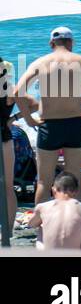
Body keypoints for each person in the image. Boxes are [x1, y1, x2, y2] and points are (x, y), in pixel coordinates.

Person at [13, 26, 81, 204]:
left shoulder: (40, 62)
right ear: (71, 43)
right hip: (75, 124)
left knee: (44, 182)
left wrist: (28, 119)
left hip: (49, 126)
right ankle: (77, 223)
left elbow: (18, 91)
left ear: (51, 43)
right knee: (75, 180)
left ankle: (43, 226)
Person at [28, 172, 81, 250]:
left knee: (41, 228)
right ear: (75, 192)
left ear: (53, 190)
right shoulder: (79, 206)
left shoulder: (42, 207)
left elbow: (31, 224)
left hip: (49, 254)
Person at [1, 53, 15, 235]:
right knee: (8, 187)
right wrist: (14, 118)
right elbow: (35, 104)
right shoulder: (10, 90)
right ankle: (8, 230)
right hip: (5, 137)